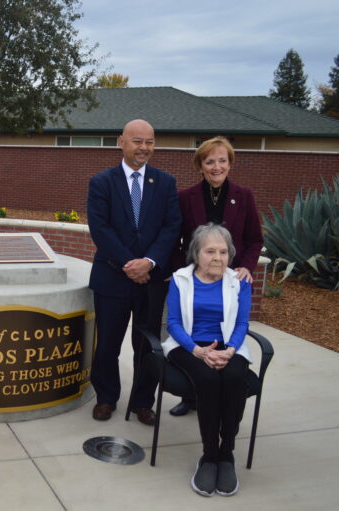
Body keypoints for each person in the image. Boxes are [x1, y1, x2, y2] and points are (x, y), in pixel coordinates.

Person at [86, 119, 181, 425]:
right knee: (108, 344)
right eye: (137, 141)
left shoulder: (165, 182)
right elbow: (100, 229)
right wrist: (130, 264)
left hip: (151, 281)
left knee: (147, 345)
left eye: (150, 142)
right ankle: (106, 397)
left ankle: (143, 401)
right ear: (121, 142)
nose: (144, 148)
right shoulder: (101, 182)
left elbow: (171, 227)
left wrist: (149, 262)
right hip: (112, 278)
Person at [168, 136, 263, 417]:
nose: (216, 166)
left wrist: (246, 266)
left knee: (226, 330)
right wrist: (176, 272)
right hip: (196, 277)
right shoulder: (186, 197)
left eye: (222, 160)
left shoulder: (243, 196)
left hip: (230, 279)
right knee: (191, 329)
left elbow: (255, 240)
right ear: (201, 166)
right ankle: (191, 396)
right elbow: (176, 239)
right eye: (210, 161)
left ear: (230, 163)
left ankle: (225, 392)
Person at [163, 224, 252, 497]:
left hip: (228, 346)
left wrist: (230, 350)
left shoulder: (239, 281)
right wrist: (198, 350)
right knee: (207, 379)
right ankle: (209, 455)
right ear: (196, 253)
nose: (217, 257)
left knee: (237, 377)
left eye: (223, 251)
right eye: (210, 251)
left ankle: (227, 455)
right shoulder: (180, 279)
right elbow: (174, 323)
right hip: (188, 345)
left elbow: (242, 323)